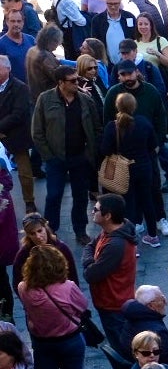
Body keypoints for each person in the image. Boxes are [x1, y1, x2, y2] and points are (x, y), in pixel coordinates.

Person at [17, 245, 94, 369]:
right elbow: (83, 306)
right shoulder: (67, 287)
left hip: (42, 342)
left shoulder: (23, 288)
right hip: (70, 340)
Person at [33, 66, 102, 244]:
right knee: (54, 195)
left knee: (80, 196)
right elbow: (37, 131)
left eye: (77, 79)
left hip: (80, 157)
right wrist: (49, 156)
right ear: (60, 83)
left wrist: (90, 153)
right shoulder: (45, 99)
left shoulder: (85, 100)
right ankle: (50, 231)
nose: (77, 83)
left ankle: (80, 231)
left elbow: (96, 128)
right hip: (56, 159)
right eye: (72, 81)